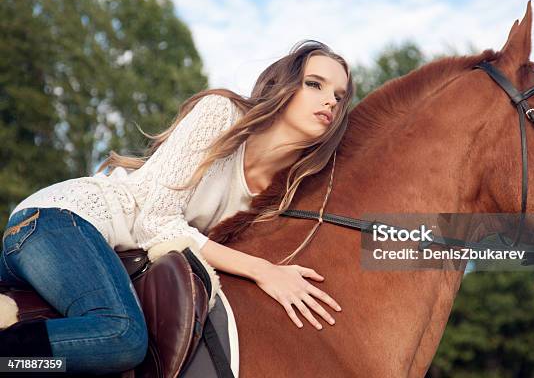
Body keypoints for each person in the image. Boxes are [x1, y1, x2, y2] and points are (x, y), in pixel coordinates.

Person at [0, 39, 354, 374]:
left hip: (92, 253)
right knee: (121, 335)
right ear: (283, 85)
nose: (331, 102)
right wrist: (263, 270)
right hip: (61, 220)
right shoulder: (222, 114)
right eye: (315, 84)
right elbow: (155, 223)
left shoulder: (287, 188)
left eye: (340, 96)